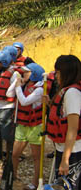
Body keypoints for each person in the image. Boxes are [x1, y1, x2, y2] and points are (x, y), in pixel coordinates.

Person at [45, 55, 81, 190]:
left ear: (67, 73)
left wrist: (65, 159)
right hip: (64, 149)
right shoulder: (66, 91)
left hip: (73, 152)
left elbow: (73, 128)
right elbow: (62, 114)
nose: (56, 76)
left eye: (58, 72)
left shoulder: (72, 93)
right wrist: (49, 103)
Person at [12, 63, 45, 190]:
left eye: (26, 72)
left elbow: (24, 101)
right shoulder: (25, 85)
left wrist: (18, 87)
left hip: (35, 126)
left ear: (34, 75)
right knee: (15, 154)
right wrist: (17, 84)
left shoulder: (40, 89)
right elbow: (11, 94)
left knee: (36, 157)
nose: (23, 74)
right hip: (22, 124)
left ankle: (35, 183)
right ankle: (13, 176)